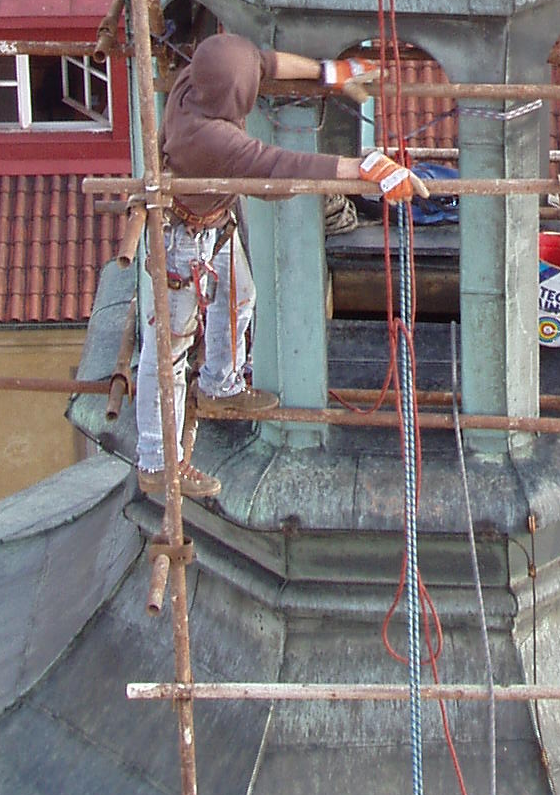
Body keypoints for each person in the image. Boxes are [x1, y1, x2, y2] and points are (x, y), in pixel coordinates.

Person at [135, 31, 418, 501]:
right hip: (182, 239)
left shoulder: (197, 79)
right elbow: (280, 164)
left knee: (240, 297)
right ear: (234, 92)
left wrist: (330, 72)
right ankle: (156, 462)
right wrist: (365, 168)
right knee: (168, 350)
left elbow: (268, 64)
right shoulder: (207, 137)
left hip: (211, 219)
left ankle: (221, 385)